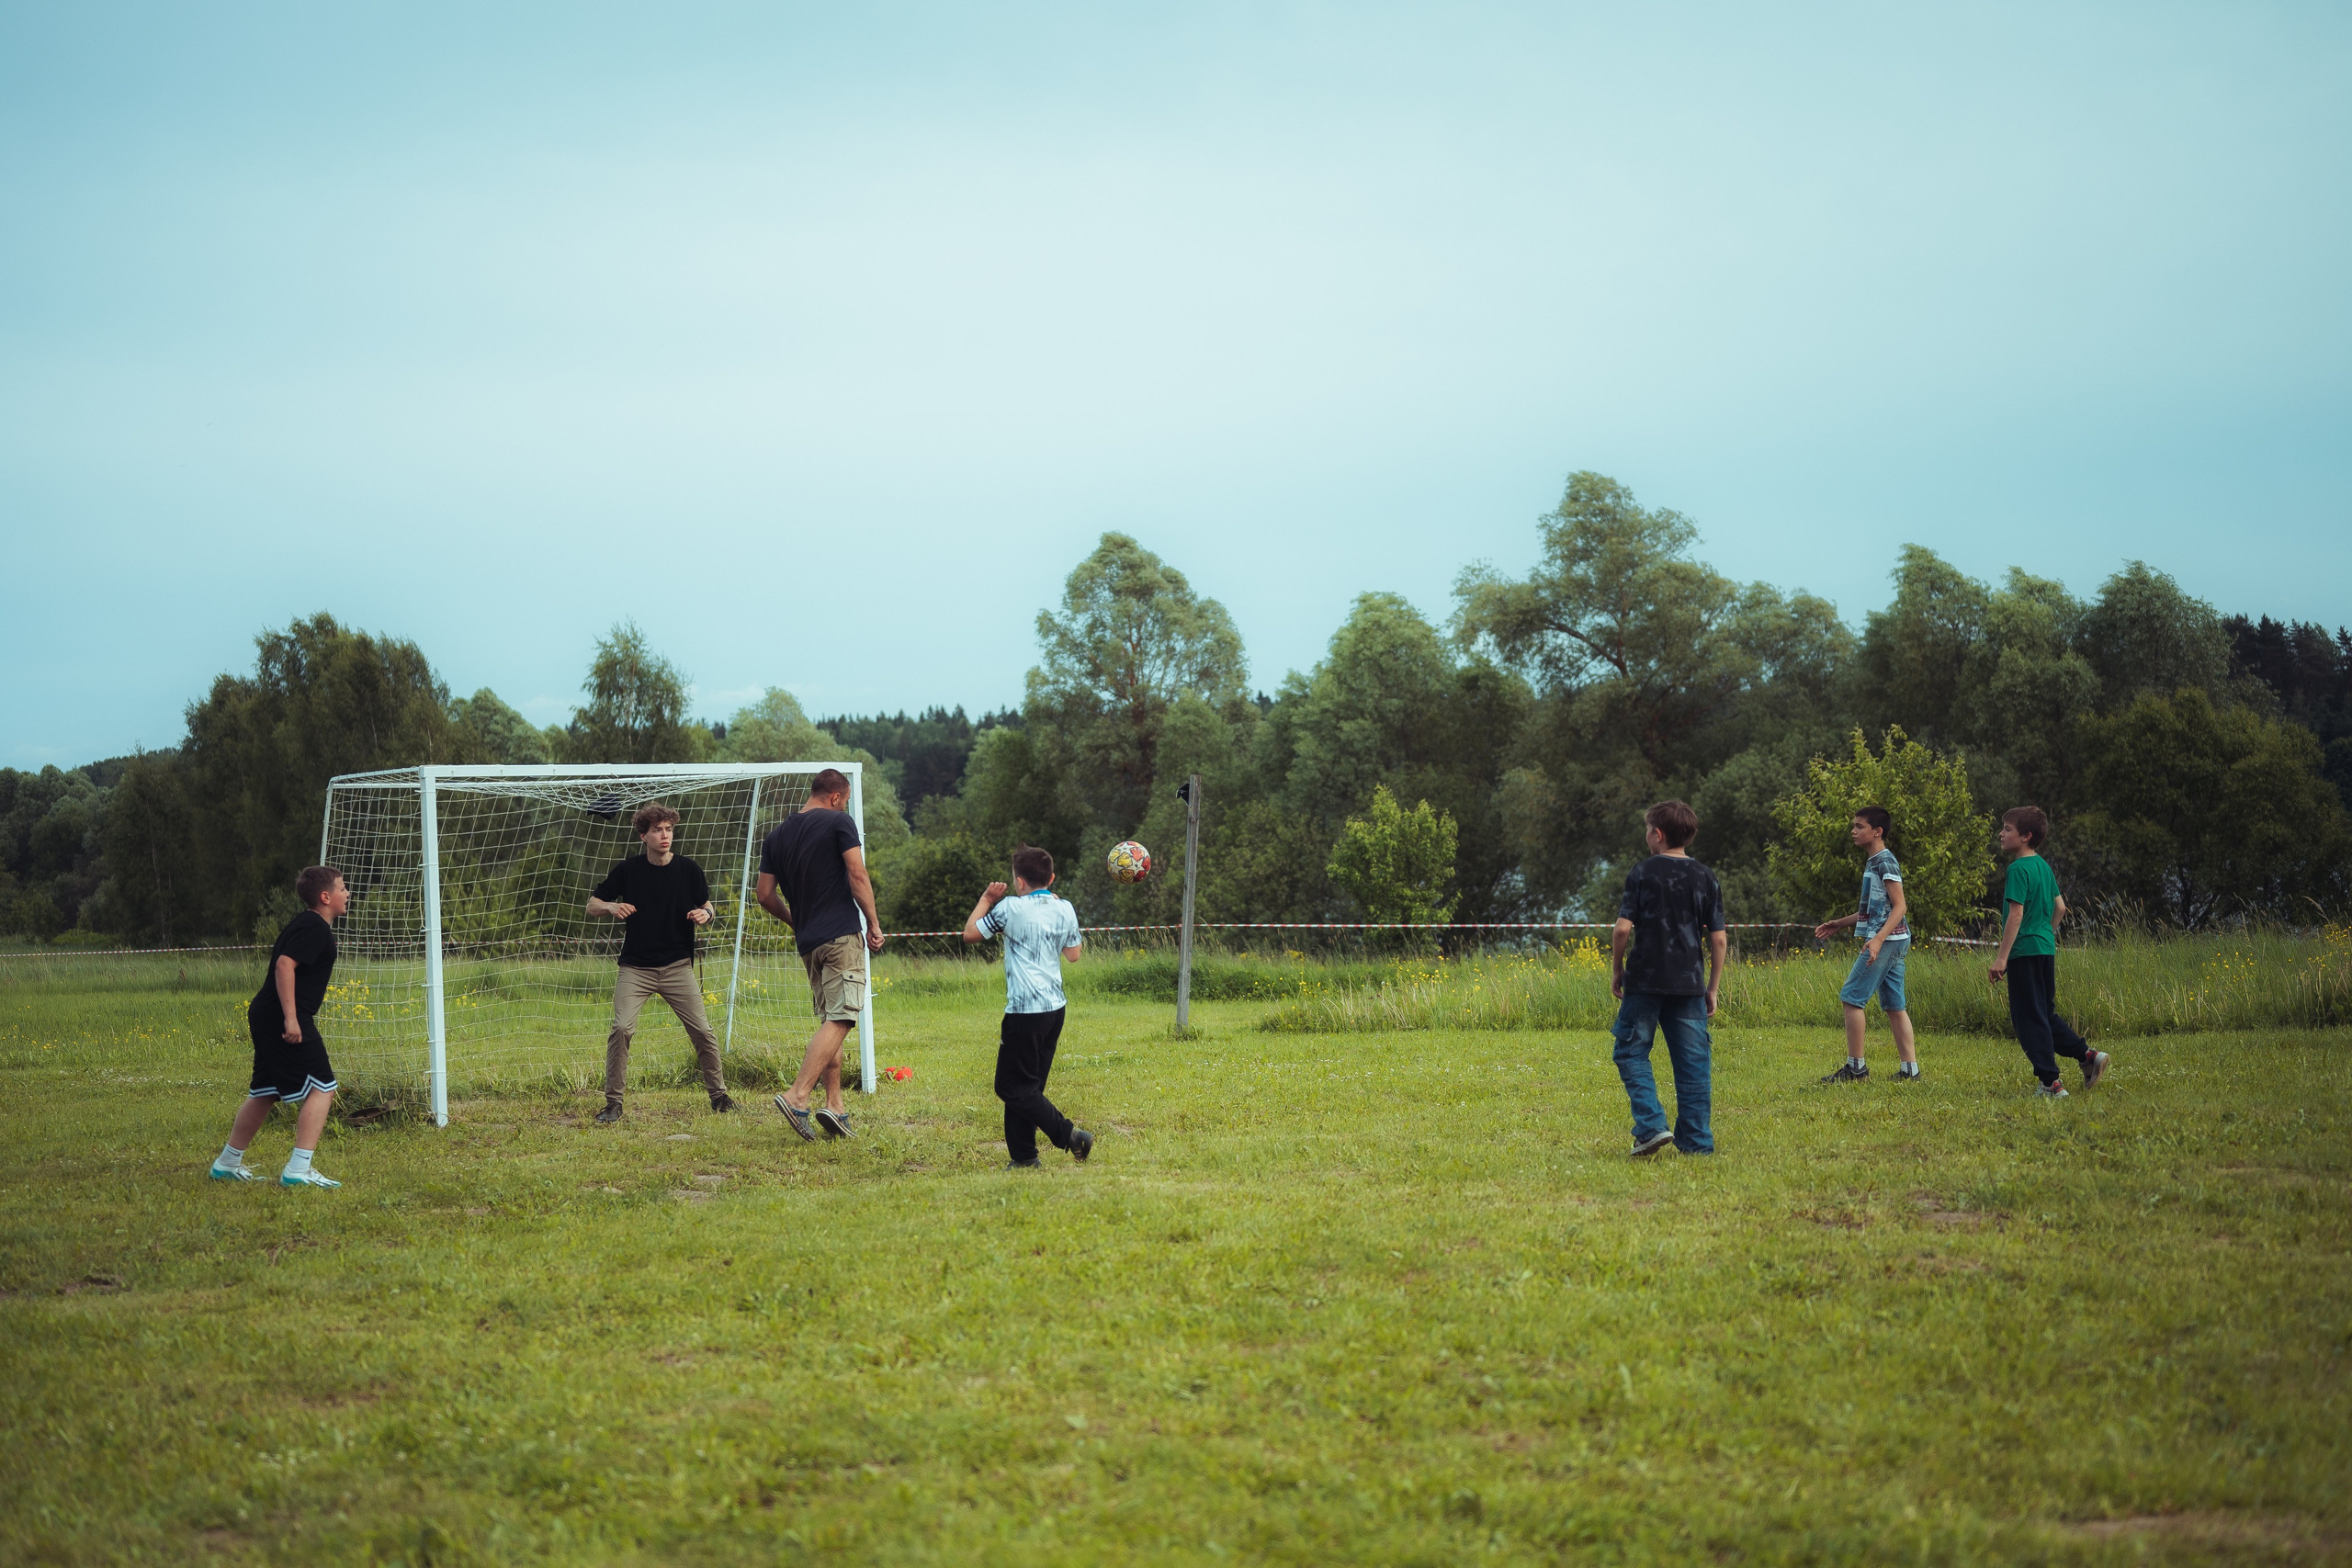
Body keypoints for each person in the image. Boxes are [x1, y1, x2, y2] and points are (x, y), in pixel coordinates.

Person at [755, 768, 884, 1140]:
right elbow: (857, 874)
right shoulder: (839, 822)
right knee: (841, 1019)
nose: (843, 807)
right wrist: (874, 923)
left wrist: (795, 920)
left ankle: (835, 1105)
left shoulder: (776, 836)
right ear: (835, 797)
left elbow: (764, 895)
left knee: (831, 1020)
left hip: (809, 942)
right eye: (844, 801)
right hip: (841, 935)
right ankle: (797, 1096)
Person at [586, 802, 731, 1123]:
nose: (665, 835)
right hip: (635, 969)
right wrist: (612, 907)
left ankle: (719, 1097)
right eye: (657, 830)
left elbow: (708, 906)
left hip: (677, 967)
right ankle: (613, 1104)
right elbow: (592, 905)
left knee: (703, 1030)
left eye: (669, 829)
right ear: (643, 836)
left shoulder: (689, 870)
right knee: (622, 1028)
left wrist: (705, 914)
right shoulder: (628, 870)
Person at [211, 864, 350, 1188]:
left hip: (266, 1014)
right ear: (325, 896)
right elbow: (285, 965)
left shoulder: (306, 923)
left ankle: (227, 1164)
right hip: (283, 1017)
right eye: (343, 888)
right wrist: (291, 1018)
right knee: (323, 1086)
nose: (348, 894)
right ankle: (298, 1170)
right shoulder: (314, 927)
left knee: (265, 1091)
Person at [1609, 800, 1727, 1157]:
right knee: (1693, 1064)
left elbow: (1622, 929)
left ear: (1657, 834)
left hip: (1644, 980)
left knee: (1631, 1051)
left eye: (1648, 831)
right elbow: (1719, 939)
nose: (1647, 836)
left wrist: (1617, 969)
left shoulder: (1642, 872)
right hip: (1689, 983)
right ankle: (1697, 1143)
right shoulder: (1706, 876)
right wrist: (1712, 988)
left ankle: (1650, 1126)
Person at [962, 844, 1093, 1169]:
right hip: (1055, 1008)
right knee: (1028, 1087)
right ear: (1051, 878)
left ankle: (1069, 1135)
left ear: (1019, 882)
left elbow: (970, 934)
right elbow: (1074, 955)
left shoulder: (1010, 908)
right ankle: (1024, 1157)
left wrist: (986, 899)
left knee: (1009, 1086)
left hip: (1024, 1011)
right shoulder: (1065, 908)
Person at [1987, 806, 2109, 1098]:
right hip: (2044, 948)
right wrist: (2045, 933)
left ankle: (2050, 1083)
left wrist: (2002, 957)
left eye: (2007, 829)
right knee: (2043, 1013)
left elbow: (2016, 914)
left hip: (2024, 951)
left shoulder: (2018, 869)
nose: (2001, 834)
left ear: (2026, 836)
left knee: (2028, 1020)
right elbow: (2061, 908)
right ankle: (2088, 1056)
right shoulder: (2043, 866)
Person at [1814, 806, 1920, 1083]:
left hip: (1887, 942)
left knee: (1851, 998)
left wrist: (1877, 940)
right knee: (1895, 1005)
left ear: (1877, 832)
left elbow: (1900, 906)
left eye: (1859, 826)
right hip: (1895, 940)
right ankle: (1910, 1071)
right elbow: (1875, 909)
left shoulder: (1884, 861)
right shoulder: (1875, 861)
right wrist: (1840, 923)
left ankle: (1856, 1068)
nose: (1853, 831)